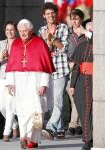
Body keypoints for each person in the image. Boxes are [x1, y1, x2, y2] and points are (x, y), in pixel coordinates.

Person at [5, 19, 55, 149]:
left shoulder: (40, 43)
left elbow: (45, 67)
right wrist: (10, 83)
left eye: (24, 31)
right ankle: (24, 137)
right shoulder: (15, 44)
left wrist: (44, 84)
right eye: (20, 31)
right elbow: (11, 66)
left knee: (37, 112)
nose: (22, 34)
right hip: (20, 83)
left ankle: (34, 138)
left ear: (31, 30)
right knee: (22, 111)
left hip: (36, 82)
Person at [38, 2, 69, 140]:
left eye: (53, 13)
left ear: (56, 14)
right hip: (46, 70)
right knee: (51, 101)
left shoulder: (63, 28)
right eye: (48, 14)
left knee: (58, 99)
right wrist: (45, 42)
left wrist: (52, 40)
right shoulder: (41, 30)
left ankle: (50, 128)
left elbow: (65, 48)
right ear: (44, 16)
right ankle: (60, 129)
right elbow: (40, 51)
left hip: (60, 69)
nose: (51, 16)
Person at [0, 21, 18, 142]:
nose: (9, 32)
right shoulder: (1, 43)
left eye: (12, 30)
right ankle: (14, 124)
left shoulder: (19, 43)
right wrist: (2, 57)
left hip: (14, 78)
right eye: (7, 30)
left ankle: (6, 132)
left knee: (9, 105)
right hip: (2, 77)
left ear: (16, 31)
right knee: (1, 106)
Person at [69, 22, 93, 150]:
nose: (88, 32)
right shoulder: (81, 46)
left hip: (94, 80)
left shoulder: (98, 44)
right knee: (83, 110)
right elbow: (76, 67)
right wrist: (72, 85)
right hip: (80, 82)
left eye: (90, 31)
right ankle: (87, 138)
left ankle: (90, 140)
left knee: (91, 111)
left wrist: (85, 31)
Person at [66, 9, 87, 136]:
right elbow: (63, 49)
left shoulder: (86, 33)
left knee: (79, 95)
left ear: (81, 20)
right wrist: (68, 61)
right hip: (70, 68)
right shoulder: (67, 33)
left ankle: (74, 124)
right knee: (72, 94)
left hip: (82, 68)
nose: (74, 21)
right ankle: (76, 123)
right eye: (72, 18)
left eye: (77, 18)